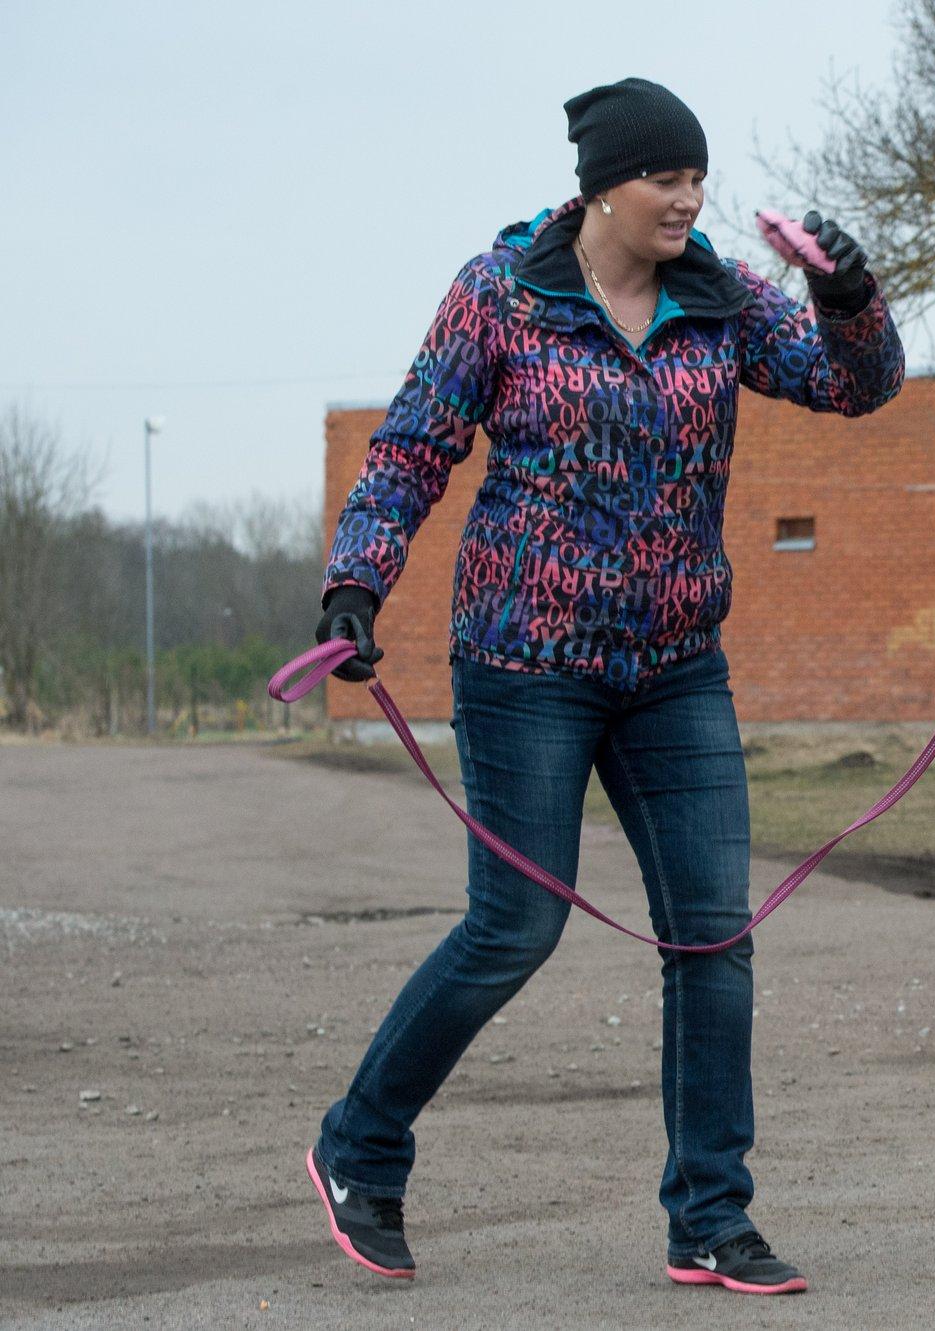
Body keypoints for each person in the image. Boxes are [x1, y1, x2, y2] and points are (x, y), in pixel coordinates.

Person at [303, 76, 902, 1296]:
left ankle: (710, 1214)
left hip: (675, 667)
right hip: (524, 663)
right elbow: (414, 442)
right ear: (602, 188)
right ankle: (359, 1144)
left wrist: (846, 301)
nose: (687, 197)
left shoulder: (719, 298)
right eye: (664, 179)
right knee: (515, 923)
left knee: (714, 937)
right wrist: (356, 584)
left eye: (697, 178)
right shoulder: (502, 295)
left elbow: (857, 386)